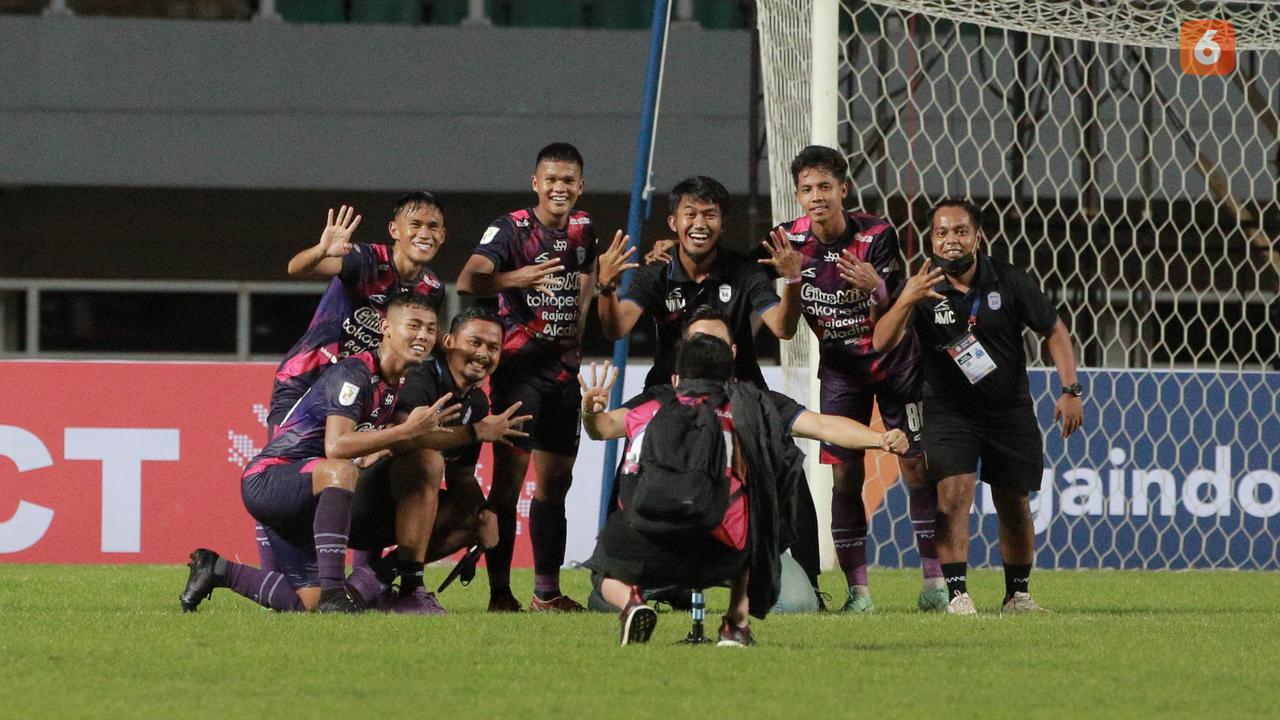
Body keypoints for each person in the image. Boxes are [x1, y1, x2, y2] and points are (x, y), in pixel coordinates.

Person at [579, 335, 908, 646]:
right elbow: (824, 426)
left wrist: (590, 411)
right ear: (729, 375)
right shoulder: (751, 408)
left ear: (676, 378)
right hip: (729, 550)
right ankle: (735, 623)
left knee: (604, 573)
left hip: (651, 546)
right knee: (757, 529)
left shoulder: (650, 409)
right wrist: (880, 439)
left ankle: (632, 602)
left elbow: (604, 428)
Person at [180, 294, 459, 613]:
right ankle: (334, 593)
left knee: (304, 604)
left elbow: (367, 452)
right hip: (271, 481)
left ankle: (217, 569)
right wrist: (406, 431)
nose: (423, 335)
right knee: (342, 471)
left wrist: (456, 434)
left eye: (429, 328)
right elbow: (337, 446)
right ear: (386, 328)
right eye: (413, 326)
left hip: (308, 495)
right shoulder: (354, 374)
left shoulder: (395, 382)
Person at [872, 197, 1084, 615]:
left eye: (959, 231)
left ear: (977, 237)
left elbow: (1054, 329)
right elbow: (880, 342)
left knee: (1014, 502)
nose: (951, 240)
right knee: (952, 495)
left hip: (1008, 410)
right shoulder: (920, 287)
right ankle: (957, 595)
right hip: (948, 410)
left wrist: (1070, 389)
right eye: (941, 232)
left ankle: (1017, 595)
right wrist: (906, 300)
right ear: (932, 239)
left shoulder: (1008, 280)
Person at [771, 145, 945, 613]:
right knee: (845, 475)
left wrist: (880, 287)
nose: (817, 196)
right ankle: (858, 593)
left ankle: (934, 584)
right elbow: (784, 329)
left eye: (825, 186)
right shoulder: (787, 241)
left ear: (843, 190)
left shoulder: (877, 234)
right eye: (807, 189)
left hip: (896, 365)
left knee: (914, 465)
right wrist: (789, 282)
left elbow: (892, 314)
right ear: (798, 196)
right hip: (841, 372)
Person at [255, 193, 447, 569]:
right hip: (307, 381)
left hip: (366, 392)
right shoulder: (365, 259)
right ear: (395, 230)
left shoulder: (432, 289)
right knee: (284, 477)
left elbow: (412, 347)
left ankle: (362, 584)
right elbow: (297, 268)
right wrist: (321, 249)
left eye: (433, 226)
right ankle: (275, 578)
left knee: (362, 476)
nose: (425, 233)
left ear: (443, 235)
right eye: (417, 224)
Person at [456, 143, 598, 612]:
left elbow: (586, 285)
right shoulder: (511, 228)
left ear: (580, 185)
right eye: (551, 179)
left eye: (569, 180)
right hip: (520, 376)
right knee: (509, 487)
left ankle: (546, 593)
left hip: (563, 378)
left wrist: (597, 296)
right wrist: (516, 279)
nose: (560, 188)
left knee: (556, 486)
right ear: (536, 183)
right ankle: (500, 594)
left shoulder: (584, 230)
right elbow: (468, 279)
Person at [345, 306, 533, 612]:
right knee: (427, 459)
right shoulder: (420, 378)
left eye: (493, 347)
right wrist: (475, 432)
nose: (483, 353)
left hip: (402, 513)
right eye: (475, 343)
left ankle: (373, 579)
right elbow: (404, 438)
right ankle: (411, 588)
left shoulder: (476, 401)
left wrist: (484, 513)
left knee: (473, 519)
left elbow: (461, 474)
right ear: (448, 342)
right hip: (356, 505)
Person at [595, 175, 802, 389]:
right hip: (669, 392)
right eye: (690, 214)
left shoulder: (746, 271)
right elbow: (616, 329)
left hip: (740, 391)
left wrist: (793, 280)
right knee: (610, 422)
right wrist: (606, 287)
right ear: (673, 222)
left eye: (710, 215)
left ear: (722, 224)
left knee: (813, 423)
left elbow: (783, 329)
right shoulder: (654, 274)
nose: (700, 224)